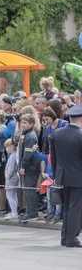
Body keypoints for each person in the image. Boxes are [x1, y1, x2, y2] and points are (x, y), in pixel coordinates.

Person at [50, 104, 82, 247]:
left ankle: (64, 237)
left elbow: (53, 157)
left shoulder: (58, 133)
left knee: (67, 207)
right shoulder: (80, 135)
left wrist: (57, 173)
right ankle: (71, 238)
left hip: (62, 175)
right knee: (75, 207)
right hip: (78, 176)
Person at [18, 114, 40, 223]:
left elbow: (28, 153)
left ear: (32, 124)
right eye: (21, 122)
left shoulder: (30, 136)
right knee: (27, 190)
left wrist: (23, 166)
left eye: (25, 123)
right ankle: (29, 211)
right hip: (27, 166)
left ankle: (32, 213)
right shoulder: (24, 133)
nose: (22, 125)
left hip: (30, 167)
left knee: (29, 190)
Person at [4, 139, 20, 220]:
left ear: (11, 146)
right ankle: (14, 211)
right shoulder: (14, 155)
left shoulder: (13, 156)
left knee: (10, 195)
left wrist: (8, 176)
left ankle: (14, 212)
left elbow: (11, 168)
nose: (6, 148)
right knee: (13, 195)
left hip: (11, 179)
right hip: (14, 178)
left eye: (7, 146)